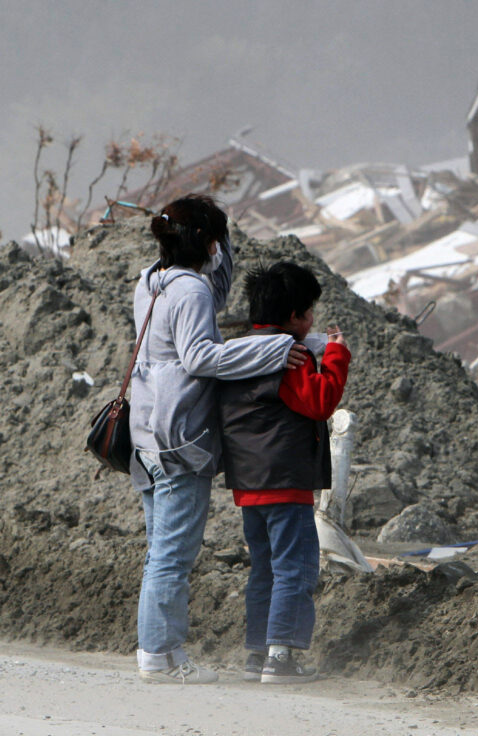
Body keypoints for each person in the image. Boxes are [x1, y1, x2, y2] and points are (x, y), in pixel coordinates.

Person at [130, 195, 309, 684]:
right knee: (174, 553)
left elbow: (211, 296)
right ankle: (160, 654)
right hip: (178, 432)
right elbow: (199, 358)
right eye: (218, 241)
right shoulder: (190, 291)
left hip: (146, 428)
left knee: (158, 548)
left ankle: (159, 652)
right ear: (208, 243)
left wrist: (219, 246)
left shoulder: (152, 282)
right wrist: (274, 349)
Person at [218, 261, 350, 684]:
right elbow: (319, 402)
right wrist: (335, 356)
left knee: (264, 568)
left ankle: (258, 653)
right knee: (296, 566)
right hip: (284, 479)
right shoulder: (287, 355)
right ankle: (282, 658)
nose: (312, 319)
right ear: (294, 316)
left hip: (248, 481)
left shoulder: (238, 351)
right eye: (308, 312)